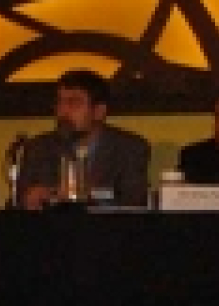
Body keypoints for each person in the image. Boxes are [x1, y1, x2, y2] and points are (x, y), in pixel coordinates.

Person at [18, 69, 151, 209]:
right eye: (59, 102)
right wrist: (29, 199)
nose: (63, 111)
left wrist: (88, 194)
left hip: (107, 228)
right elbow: (17, 202)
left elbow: (133, 199)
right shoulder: (38, 148)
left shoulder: (130, 148)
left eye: (73, 103)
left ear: (99, 112)